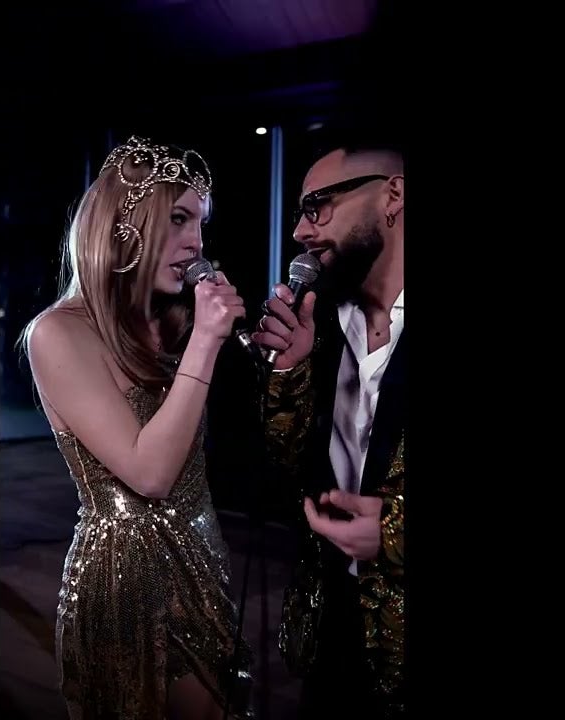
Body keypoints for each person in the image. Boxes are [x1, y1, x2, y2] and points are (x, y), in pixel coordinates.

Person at [20, 136, 253, 720]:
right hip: (126, 582)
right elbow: (149, 473)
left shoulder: (170, 325)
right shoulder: (58, 333)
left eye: (200, 223)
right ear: (124, 225)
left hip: (202, 563)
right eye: (177, 219)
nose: (196, 242)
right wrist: (206, 342)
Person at [250, 137, 407, 718]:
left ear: (393, 196)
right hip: (332, 632)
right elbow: (280, 476)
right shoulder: (319, 326)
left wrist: (392, 532)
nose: (300, 231)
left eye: (317, 206)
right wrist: (286, 375)